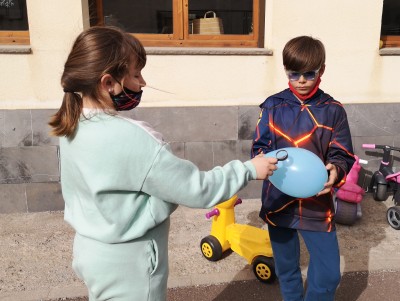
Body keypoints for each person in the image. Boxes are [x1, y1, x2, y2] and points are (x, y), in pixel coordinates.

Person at [48, 26, 278, 301]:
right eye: (135, 74)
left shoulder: (70, 126)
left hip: (90, 252)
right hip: (130, 264)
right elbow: (197, 189)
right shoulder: (134, 138)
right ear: (108, 83)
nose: (142, 82)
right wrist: (249, 169)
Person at [251, 36, 355, 301]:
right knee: (286, 269)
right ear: (285, 70)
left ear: (322, 70)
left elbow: (342, 152)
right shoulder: (272, 106)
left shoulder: (333, 110)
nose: (301, 80)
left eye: (309, 73)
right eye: (293, 73)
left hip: (316, 203)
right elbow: (258, 148)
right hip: (278, 200)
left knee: (330, 273)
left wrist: (337, 170)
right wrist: (263, 161)